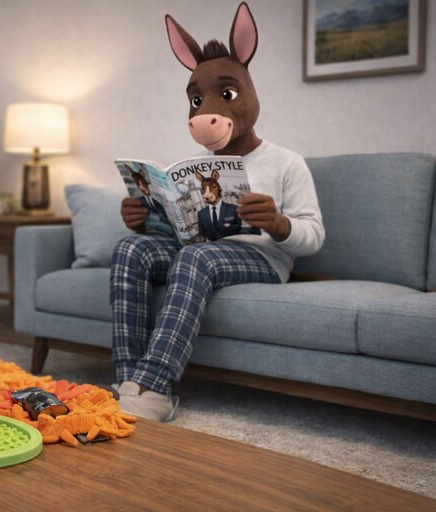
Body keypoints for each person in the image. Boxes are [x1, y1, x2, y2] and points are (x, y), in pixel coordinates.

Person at [111, 3, 325, 421]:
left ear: (248, 94)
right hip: (201, 250)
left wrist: (280, 225)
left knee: (196, 257)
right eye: (196, 99)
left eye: (225, 95)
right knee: (129, 250)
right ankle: (125, 382)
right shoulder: (195, 163)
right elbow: (185, 226)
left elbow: (314, 236)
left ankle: (155, 386)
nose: (205, 109)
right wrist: (144, 216)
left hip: (264, 258)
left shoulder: (287, 162)